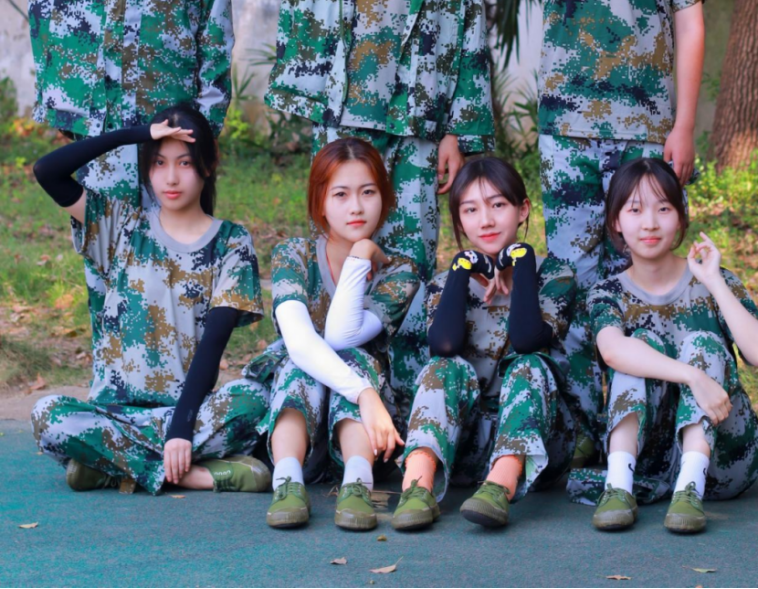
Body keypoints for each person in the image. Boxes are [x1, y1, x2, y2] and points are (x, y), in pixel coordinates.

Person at [451, 0, 727, 455]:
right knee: (575, 279)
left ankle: (652, 427)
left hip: (647, 134)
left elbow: (690, 26)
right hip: (569, 133)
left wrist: (683, 125)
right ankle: (581, 427)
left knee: (647, 273)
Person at [215, 0, 494, 405]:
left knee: (411, 267)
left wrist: (459, 130)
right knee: (340, 261)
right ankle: (334, 395)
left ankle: (407, 400)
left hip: (421, 126)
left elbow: (471, 24)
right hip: (343, 119)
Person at [0, 0, 234, 339]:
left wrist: (202, 137)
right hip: (96, 140)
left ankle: (179, 389)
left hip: (168, 142)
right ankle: (112, 386)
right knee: (107, 280)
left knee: (180, 278)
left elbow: (215, 32)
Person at [30, 104, 269, 496]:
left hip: (187, 414)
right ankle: (192, 474)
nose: (170, 177)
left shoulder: (231, 243)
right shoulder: (120, 226)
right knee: (48, 415)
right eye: (159, 163)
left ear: (208, 165)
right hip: (115, 413)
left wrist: (181, 430)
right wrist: (137, 134)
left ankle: (111, 467)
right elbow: (47, 171)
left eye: (184, 163)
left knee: (256, 400)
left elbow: (214, 344)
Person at [570, 157, 758, 533]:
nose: (649, 223)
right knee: (637, 347)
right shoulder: (607, 293)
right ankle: (618, 486)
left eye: (663, 208)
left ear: (680, 217)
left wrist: (714, 282)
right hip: (649, 459)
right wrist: (693, 376)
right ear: (616, 221)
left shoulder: (713, 280)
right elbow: (613, 350)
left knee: (702, 342)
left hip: (724, 463)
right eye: (635, 210)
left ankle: (689, 489)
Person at [241, 137, 419, 530]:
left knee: (351, 356)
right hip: (298, 429)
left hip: (365, 437)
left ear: (384, 198)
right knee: (299, 360)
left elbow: (342, 335)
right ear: (320, 202)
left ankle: (357, 486)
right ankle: (287, 483)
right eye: (341, 194)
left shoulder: (400, 271)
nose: (356, 206)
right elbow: (301, 343)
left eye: (368, 192)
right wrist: (364, 393)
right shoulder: (294, 255)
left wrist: (360, 254)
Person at [393, 157, 576, 532]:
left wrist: (521, 262)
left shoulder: (554, 276)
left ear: (522, 209)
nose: (486, 220)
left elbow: (527, 339)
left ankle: (499, 487)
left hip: (537, 446)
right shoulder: (445, 283)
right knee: (442, 367)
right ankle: (416, 486)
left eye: (498, 205)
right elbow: (444, 346)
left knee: (530, 365)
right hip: (462, 445)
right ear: (459, 221)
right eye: (471, 210)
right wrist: (461, 269)